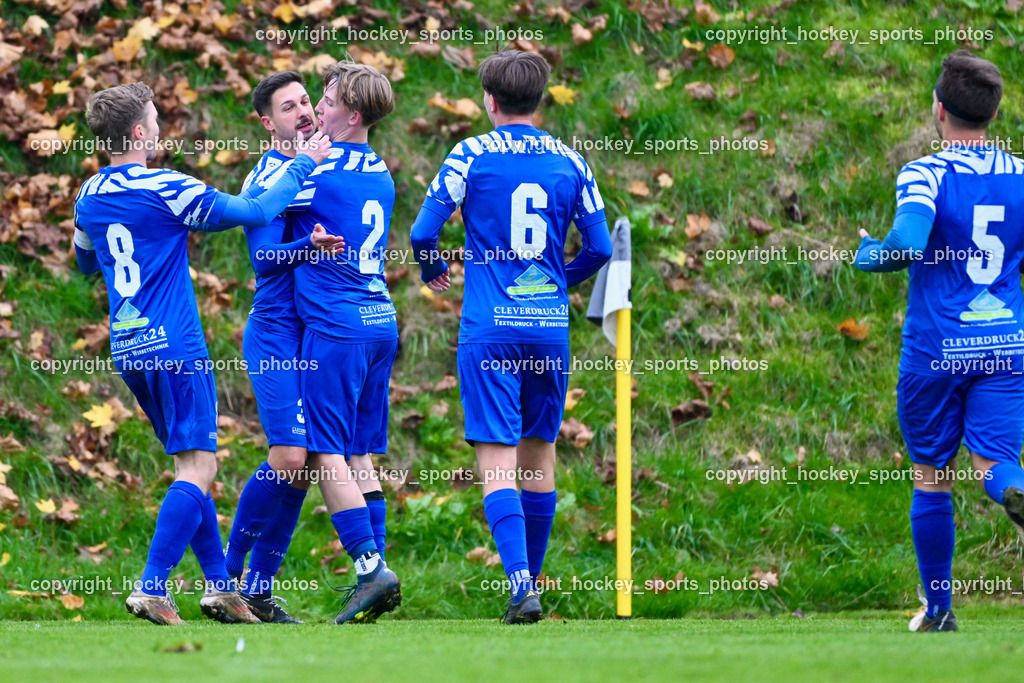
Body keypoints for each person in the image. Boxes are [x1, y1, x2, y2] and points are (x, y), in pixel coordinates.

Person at [73, 81, 331, 625]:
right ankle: (151, 587)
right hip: (174, 344)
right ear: (140, 132)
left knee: (192, 468)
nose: (162, 124)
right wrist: (305, 162)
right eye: (156, 116)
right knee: (200, 466)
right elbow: (258, 210)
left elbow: (85, 261)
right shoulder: (169, 186)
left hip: (128, 345)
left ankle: (220, 587)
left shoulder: (88, 194)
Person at [410, 49, 612, 623]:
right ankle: (532, 589)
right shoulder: (571, 161)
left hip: (490, 330)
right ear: (540, 100)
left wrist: (431, 269)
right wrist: (555, 283)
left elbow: (425, 230)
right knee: (539, 456)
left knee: (498, 464)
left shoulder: (469, 154)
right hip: (547, 327)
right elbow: (598, 247)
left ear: (489, 101)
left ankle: (520, 583)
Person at [854, 50, 1024, 632]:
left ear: (940, 109)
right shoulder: (1021, 174)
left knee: (931, 474)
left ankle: (940, 609)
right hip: (1006, 343)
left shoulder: (926, 173)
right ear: (992, 114)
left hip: (936, 350)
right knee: (995, 464)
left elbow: (904, 245)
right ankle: (1015, 492)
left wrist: (868, 252)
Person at [223, 71, 345, 624]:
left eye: (305, 102)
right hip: (275, 332)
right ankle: (223, 579)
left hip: (318, 330)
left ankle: (259, 592)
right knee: (290, 457)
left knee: (304, 465)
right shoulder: (269, 175)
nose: (303, 112)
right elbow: (264, 261)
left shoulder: (327, 163)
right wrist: (309, 246)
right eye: (287, 106)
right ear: (267, 122)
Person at [283, 61, 402, 624]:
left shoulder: (318, 170)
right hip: (381, 322)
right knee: (360, 452)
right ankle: (377, 581)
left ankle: (369, 570)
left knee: (323, 451)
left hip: (337, 327)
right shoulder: (380, 169)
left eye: (326, 101)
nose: (315, 112)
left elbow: (263, 205)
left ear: (352, 115)